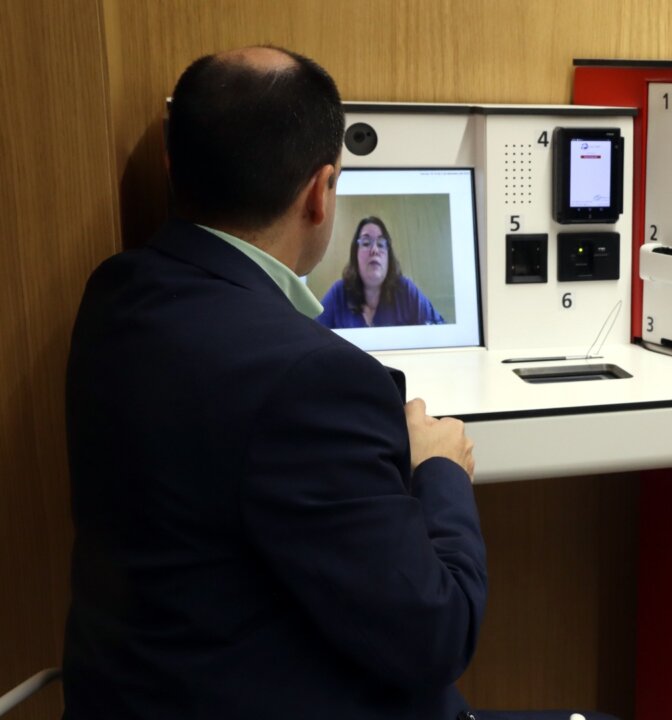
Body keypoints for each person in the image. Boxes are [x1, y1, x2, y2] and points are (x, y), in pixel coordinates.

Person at [63, 46, 486, 720]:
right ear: (320, 193)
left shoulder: (116, 293)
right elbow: (438, 634)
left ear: (173, 167)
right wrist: (438, 468)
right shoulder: (315, 377)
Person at [317, 216, 447, 328]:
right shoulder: (338, 293)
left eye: (380, 244)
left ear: (388, 257)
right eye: (366, 243)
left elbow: (441, 330)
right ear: (355, 254)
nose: (374, 250)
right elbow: (312, 336)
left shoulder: (406, 290)